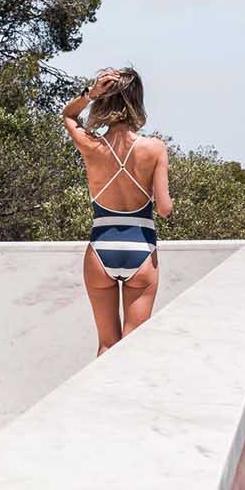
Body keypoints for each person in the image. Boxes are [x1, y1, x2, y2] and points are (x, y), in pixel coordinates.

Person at [61, 67, 173, 352]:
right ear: (137, 101)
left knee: (107, 346)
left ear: (105, 101)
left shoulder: (91, 145)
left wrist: (89, 93)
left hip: (100, 249)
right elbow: (164, 209)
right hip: (141, 249)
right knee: (133, 348)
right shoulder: (155, 148)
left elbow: (68, 115)